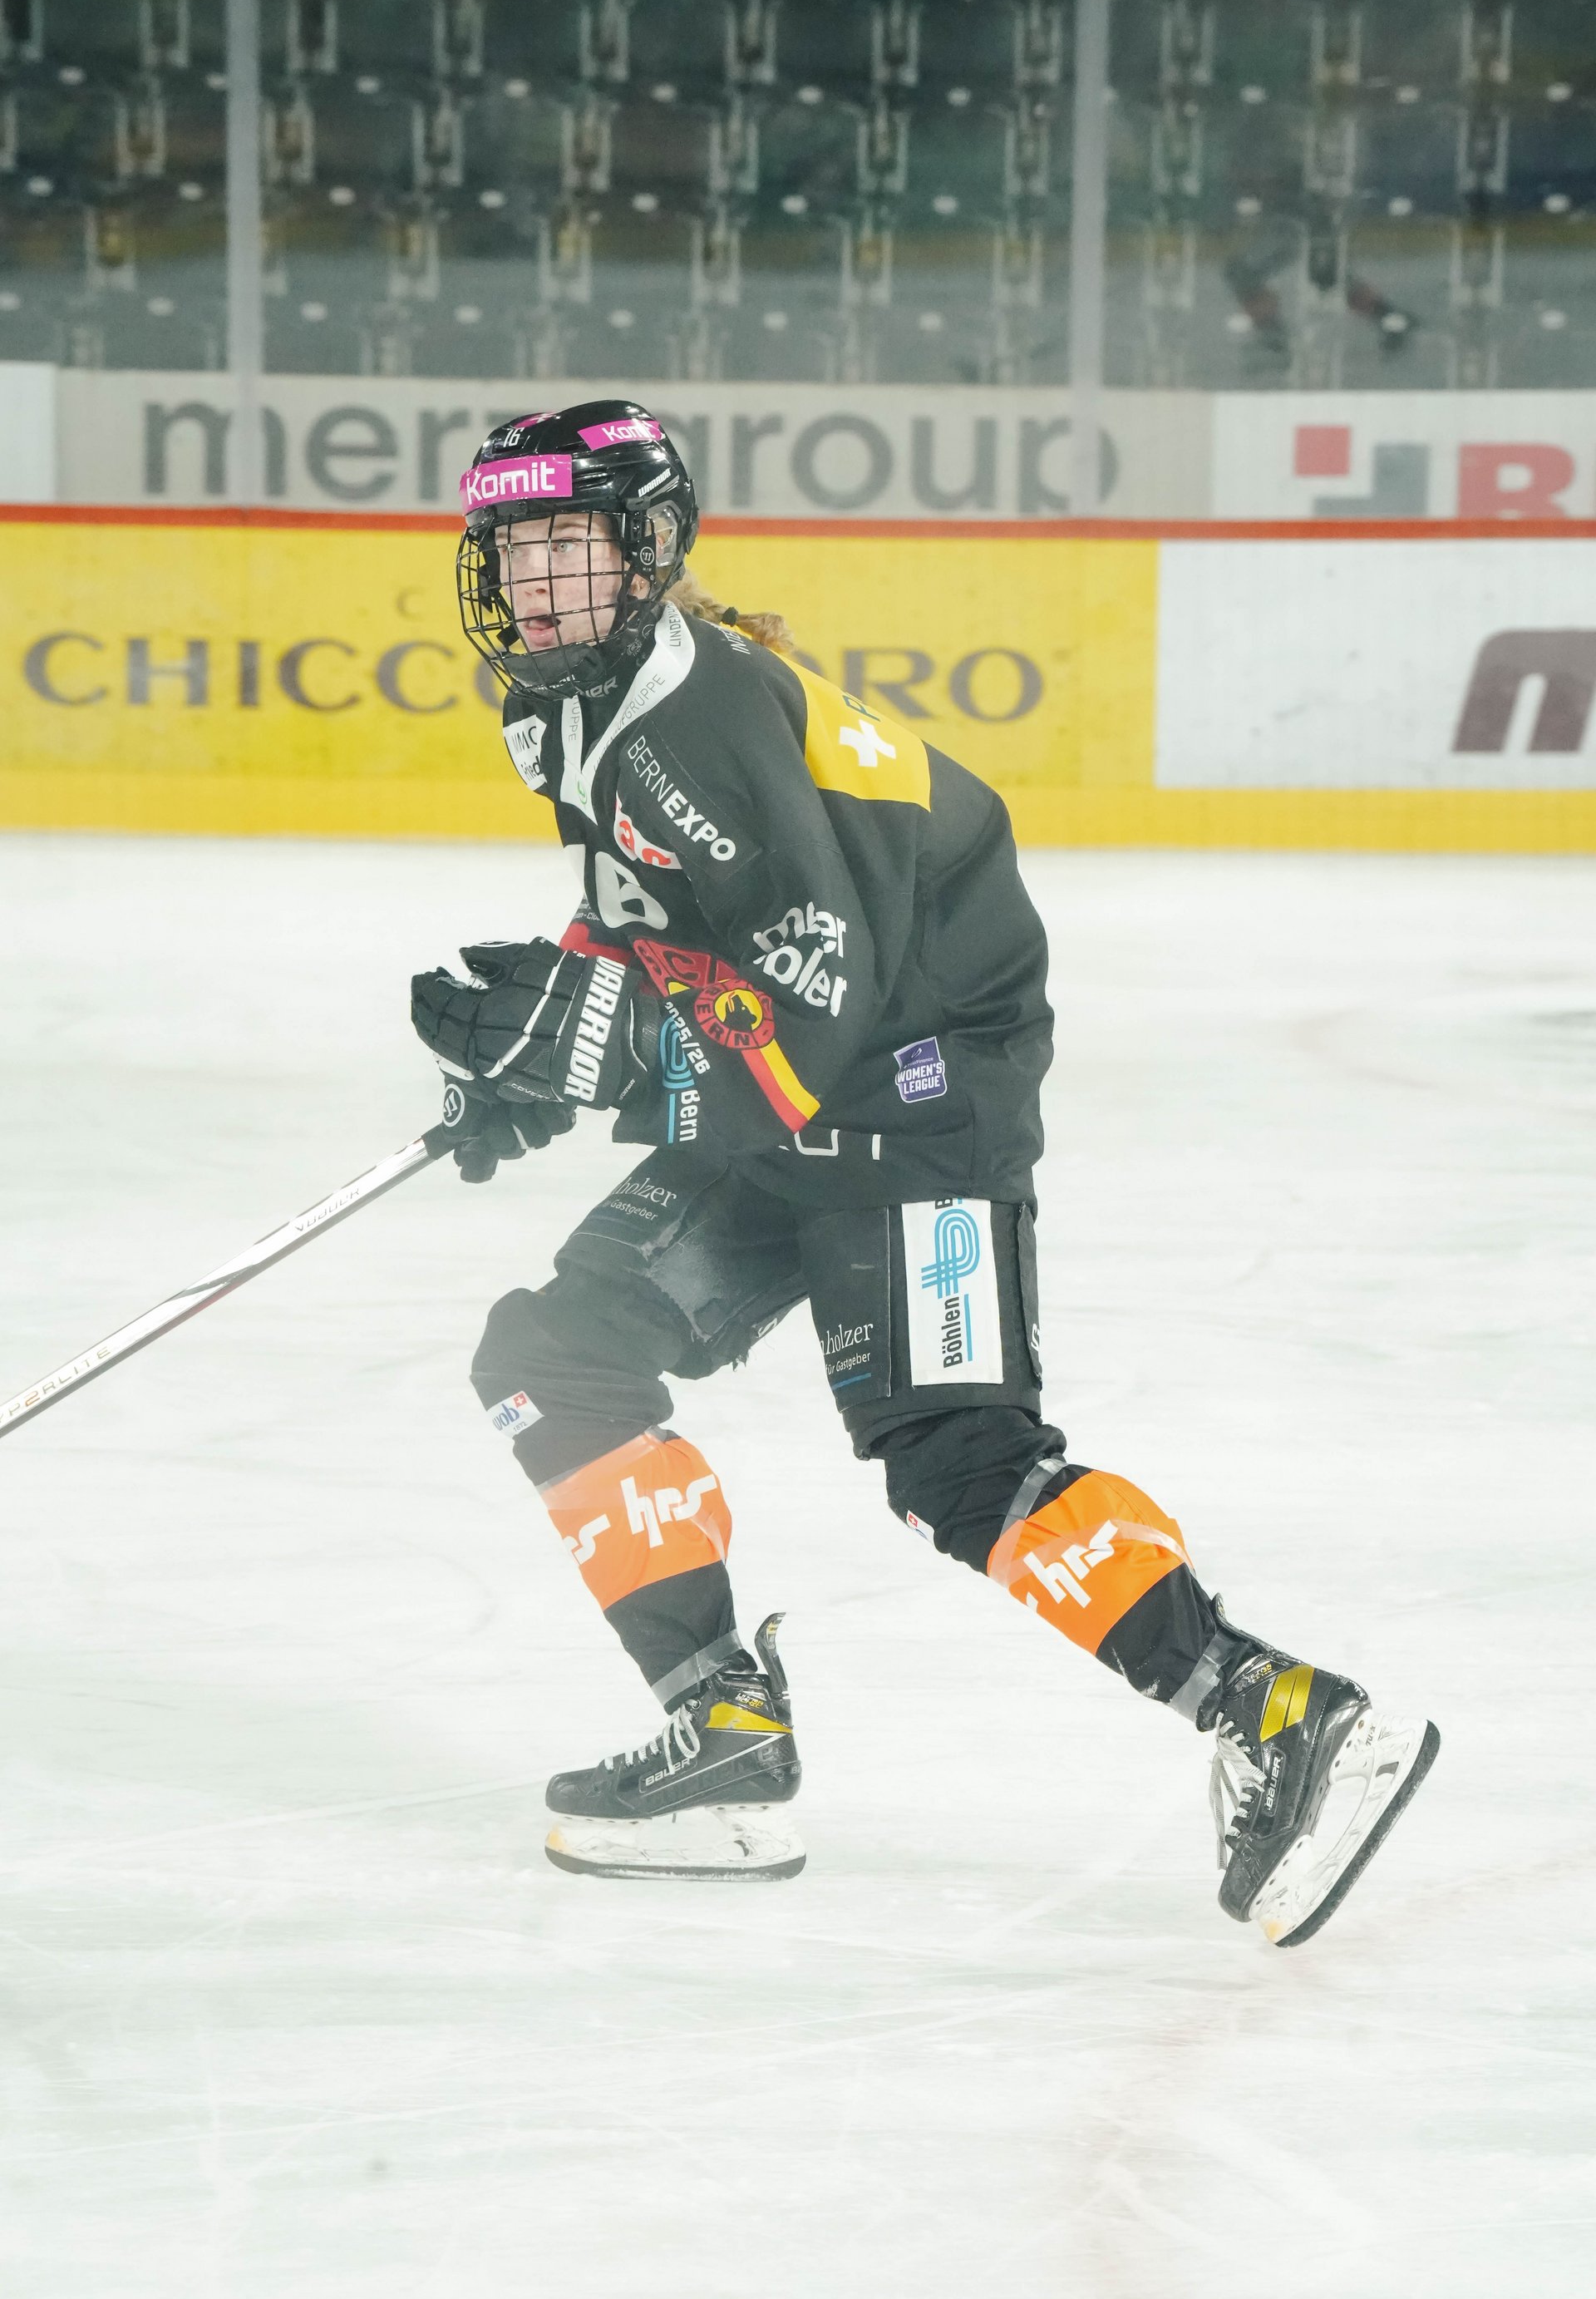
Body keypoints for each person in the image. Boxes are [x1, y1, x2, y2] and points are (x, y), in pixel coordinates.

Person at [411, 399, 1437, 1937]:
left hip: (912, 1094)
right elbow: (659, 918)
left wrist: (600, 1049)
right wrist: (546, 1051)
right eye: (512, 548)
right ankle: (724, 1730)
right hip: (810, 1084)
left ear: (648, 548)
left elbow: (812, 998)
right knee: (555, 1360)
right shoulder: (581, 699)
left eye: (567, 544)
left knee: (957, 1456)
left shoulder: (693, 718)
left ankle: (1289, 1717)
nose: (534, 581)